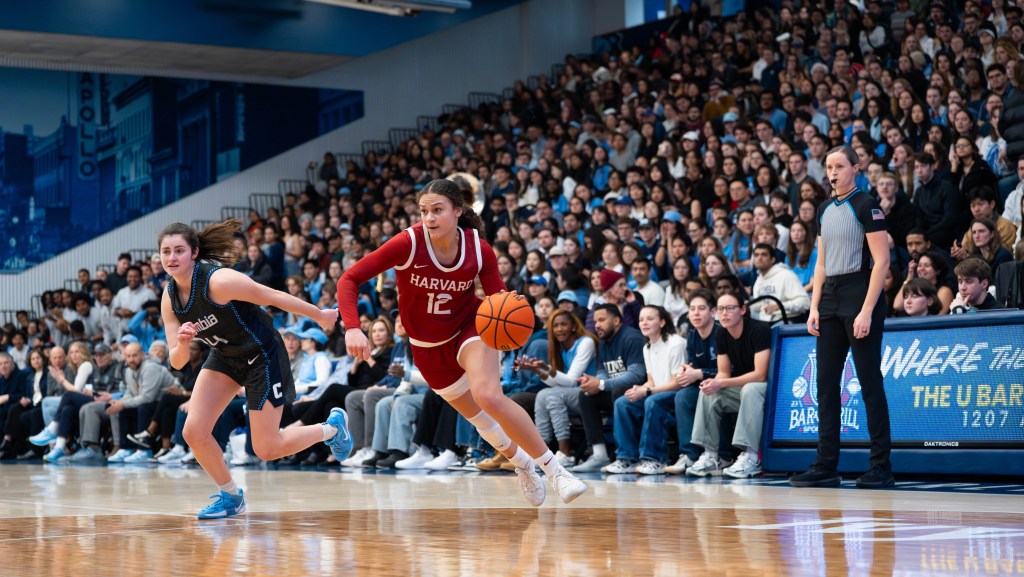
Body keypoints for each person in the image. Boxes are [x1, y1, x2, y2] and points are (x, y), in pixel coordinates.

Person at [337, 179, 587, 506]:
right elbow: (349, 278)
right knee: (480, 420)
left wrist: (513, 318)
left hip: (470, 327)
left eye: (437, 210)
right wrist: (352, 328)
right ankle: (523, 464)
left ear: (457, 211)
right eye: (424, 211)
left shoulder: (478, 249)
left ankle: (556, 471)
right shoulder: (407, 243)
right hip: (427, 349)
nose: (429, 218)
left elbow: (498, 298)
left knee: (489, 396)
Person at [158, 218, 351, 519]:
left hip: (262, 354)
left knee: (266, 448)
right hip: (225, 356)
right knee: (194, 432)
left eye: (178, 251)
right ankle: (231, 496)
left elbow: (272, 296)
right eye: (166, 252)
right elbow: (177, 361)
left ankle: (330, 429)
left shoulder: (219, 281)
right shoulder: (169, 300)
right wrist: (183, 344)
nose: (171, 258)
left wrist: (319, 314)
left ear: (194, 253)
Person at [790, 146, 894, 489]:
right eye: (828, 167)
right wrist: (815, 306)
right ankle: (825, 464)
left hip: (860, 294)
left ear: (856, 167)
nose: (832, 172)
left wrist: (866, 310)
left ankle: (881, 467)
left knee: (868, 383)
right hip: (831, 298)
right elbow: (821, 262)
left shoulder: (866, 205)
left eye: (839, 166)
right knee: (825, 385)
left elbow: (881, 262)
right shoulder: (823, 208)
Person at [685, 291, 770, 479]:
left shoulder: (759, 329)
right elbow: (723, 372)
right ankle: (710, 456)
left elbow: (761, 375)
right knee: (708, 392)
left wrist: (722, 381)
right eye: (720, 309)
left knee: (750, 388)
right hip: (744, 389)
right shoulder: (721, 333)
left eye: (730, 308)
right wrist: (713, 382)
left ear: (742, 310)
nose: (724, 313)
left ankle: (751, 457)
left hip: (768, 390)